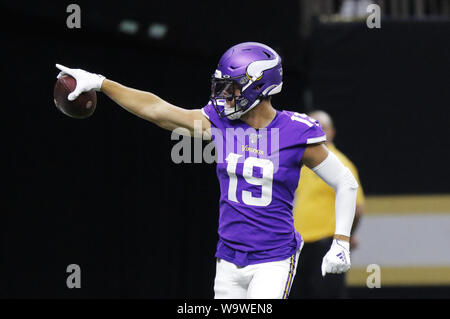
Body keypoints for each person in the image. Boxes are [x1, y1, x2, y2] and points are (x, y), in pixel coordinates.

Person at [55, 42, 358, 299]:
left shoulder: (295, 131)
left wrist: (341, 241)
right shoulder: (220, 121)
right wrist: (102, 83)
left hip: (274, 258)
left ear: (260, 86)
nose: (224, 95)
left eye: (232, 87)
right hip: (228, 256)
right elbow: (158, 110)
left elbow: (345, 181)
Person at [289, 110, 365, 299]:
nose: (318, 132)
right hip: (299, 246)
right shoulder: (301, 163)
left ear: (332, 132)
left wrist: (345, 237)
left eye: (322, 128)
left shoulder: (342, 164)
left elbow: (357, 208)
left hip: (326, 244)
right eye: (312, 128)